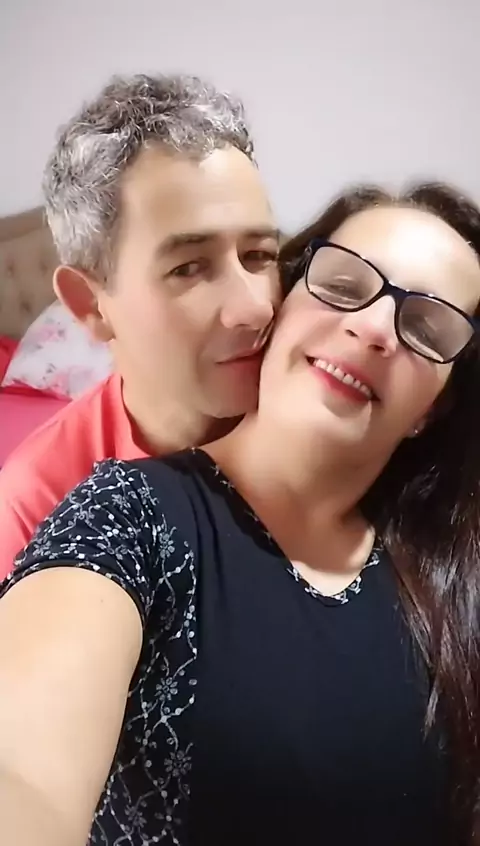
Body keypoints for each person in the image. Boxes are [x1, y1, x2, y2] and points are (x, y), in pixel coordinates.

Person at [2, 181, 480, 846]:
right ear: (283, 304)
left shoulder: (448, 570)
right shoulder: (127, 517)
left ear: (435, 406)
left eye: (427, 328)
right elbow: (22, 771)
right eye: (343, 284)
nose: (373, 329)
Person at [0, 72, 281, 579]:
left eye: (259, 255)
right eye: (188, 268)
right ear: (91, 304)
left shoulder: (318, 416)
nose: (255, 308)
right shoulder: (40, 502)